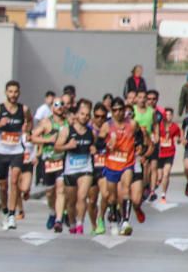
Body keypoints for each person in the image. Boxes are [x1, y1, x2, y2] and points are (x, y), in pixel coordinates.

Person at [0, 80, 30, 230]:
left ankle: (11, 214)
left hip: (17, 151)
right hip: (1, 151)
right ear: (6, 92)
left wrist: (26, 129)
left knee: (14, 180)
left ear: (19, 93)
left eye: (16, 92)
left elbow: (29, 123)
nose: (13, 95)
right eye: (10, 92)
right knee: (3, 186)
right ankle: (4, 210)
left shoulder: (24, 109)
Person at [54, 100, 94, 235]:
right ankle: (71, 223)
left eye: (87, 115)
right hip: (70, 169)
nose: (85, 117)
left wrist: (94, 149)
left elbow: (95, 147)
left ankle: (80, 224)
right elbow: (57, 147)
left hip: (86, 169)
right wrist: (68, 146)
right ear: (77, 115)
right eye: (82, 114)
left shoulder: (91, 132)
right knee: (71, 202)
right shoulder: (67, 130)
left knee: (82, 197)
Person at [30, 98, 69, 232]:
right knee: (49, 192)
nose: (59, 107)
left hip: (62, 160)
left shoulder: (68, 122)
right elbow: (33, 137)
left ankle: (59, 220)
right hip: (48, 161)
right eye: (56, 104)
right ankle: (52, 212)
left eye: (61, 104)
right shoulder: (46, 122)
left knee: (61, 189)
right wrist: (47, 139)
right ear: (52, 107)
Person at [100, 97, 136, 235]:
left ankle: (126, 221)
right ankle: (114, 218)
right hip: (111, 163)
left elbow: (141, 138)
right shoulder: (107, 126)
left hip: (127, 162)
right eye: (115, 110)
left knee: (126, 188)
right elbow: (98, 143)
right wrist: (108, 144)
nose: (118, 113)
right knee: (112, 196)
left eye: (121, 109)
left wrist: (141, 148)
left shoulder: (132, 124)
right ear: (111, 111)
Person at [87, 103, 109, 234]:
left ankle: (101, 219)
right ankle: (94, 225)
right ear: (93, 116)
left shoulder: (109, 129)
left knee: (105, 194)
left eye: (103, 117)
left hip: (105, 167)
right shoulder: (88, 129)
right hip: (91, 168)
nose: (100, 119)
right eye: (97, 116)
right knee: (92, 200)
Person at [156, 107, 181, 203]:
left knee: (166, 174)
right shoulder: (159, 126)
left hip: (170, 153)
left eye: (170, 115)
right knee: (159, 177)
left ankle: (163, 194)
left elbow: (178, 138)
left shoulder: (175, 127)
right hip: (159, 153)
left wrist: (177, 140)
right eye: (166, 115)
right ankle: (155, 185)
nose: (168, 117)